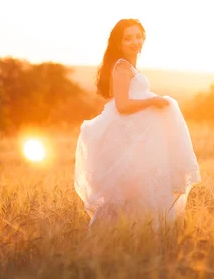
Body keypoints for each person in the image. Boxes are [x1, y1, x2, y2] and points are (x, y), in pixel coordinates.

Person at [74, 18, 201, 231]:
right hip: (126, 134)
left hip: (136, 133)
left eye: (138, 36)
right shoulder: (122, 67)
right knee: (127, 188)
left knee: (140, 187)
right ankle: (115, 235)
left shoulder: (129, 66)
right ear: (119, 43)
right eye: (128, 38)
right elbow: (122, 105)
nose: (135, 42)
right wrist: (152, 101)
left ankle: (140, 233)